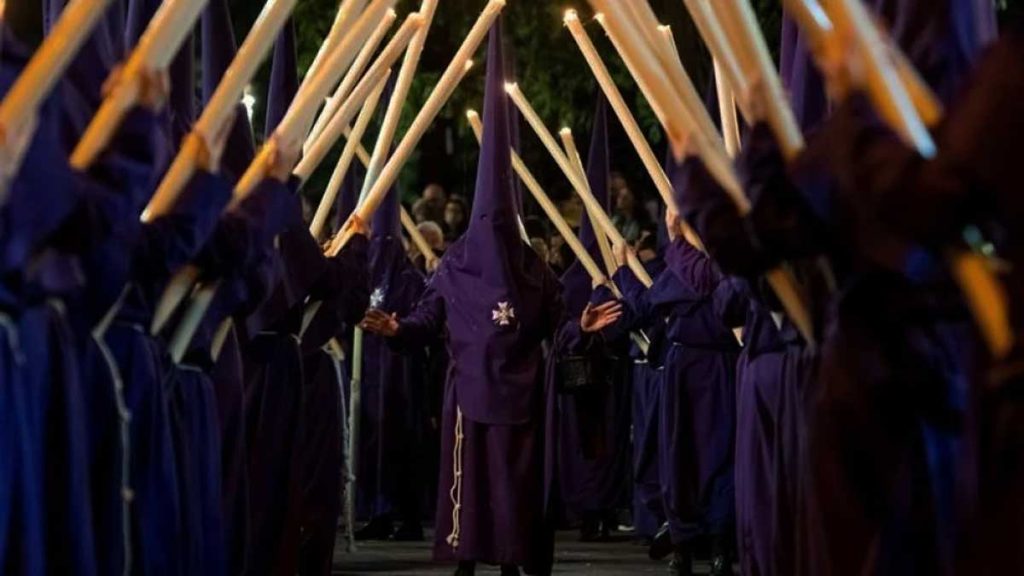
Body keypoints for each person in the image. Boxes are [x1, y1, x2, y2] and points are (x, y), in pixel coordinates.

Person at [361, 19, 621, 575]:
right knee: (470, 485)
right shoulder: (455, 264)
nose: (495, 232)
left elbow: (559, 322)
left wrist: (583, 324)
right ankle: (466, 559)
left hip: (521, 404)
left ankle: (512, 559)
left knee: (515, 487)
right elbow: (428, 319)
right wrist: (397, 328)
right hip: (469, 400)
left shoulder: (533, 269)